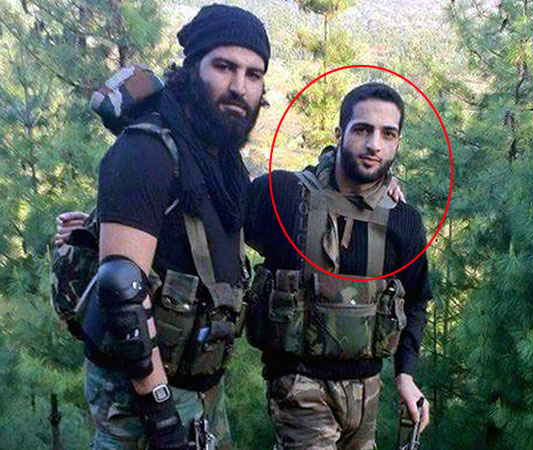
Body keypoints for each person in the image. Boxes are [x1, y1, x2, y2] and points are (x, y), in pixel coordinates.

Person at [68, 5, 270, 449]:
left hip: (201, 390)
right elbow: (121, 288)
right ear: (192, 68)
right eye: (224, 67)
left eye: (253, 75)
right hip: (138, 397)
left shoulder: (223, 160)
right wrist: (160, 414)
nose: (239, 86)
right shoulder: (147, 150)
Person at [245, 82, 432, 450]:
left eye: (387, 134)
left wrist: (406, 376)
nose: (374, 145)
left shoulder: (403, 220)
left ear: (397, 142)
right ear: (339, 134)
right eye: (362, 129)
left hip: (368, 392)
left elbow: (416, 300)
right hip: (300, 385)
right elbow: (218, 216)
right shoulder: (283, 195)